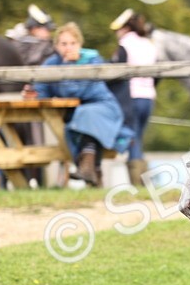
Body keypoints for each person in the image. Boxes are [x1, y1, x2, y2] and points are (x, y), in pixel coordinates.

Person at [23, 22, 128, 187]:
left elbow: (76, 91)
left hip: (103, 107)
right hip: (76, 112)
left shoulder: (92, 60)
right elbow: (41, 88)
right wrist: (32, 93)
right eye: (63, 44)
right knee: (80, 119)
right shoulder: (51, 63)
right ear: (56, 45)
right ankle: (93, 172)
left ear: (80, 44)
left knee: (87, 116)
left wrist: (68, 66)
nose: (68, 48)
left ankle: (88, 169)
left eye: (73, 43)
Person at [110, 8, 157, 187]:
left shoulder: (125, 45)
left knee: (132, 139)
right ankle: (143, 181)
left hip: (131, 97)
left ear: (124, 28)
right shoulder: (149, 44)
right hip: (148, 96)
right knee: (138, 138)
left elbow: (116, 73)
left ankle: (138, 183)